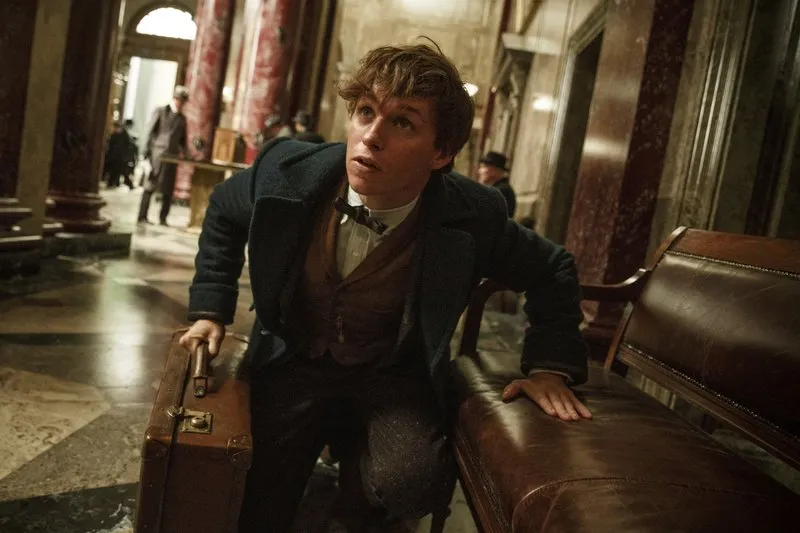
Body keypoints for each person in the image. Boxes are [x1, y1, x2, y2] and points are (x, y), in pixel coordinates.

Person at [180, 42, 590, 533]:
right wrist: (210, 309)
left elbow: (553, 267)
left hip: (392, 372)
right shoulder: (286, 171)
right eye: (365, 112)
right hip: (294, 356)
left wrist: (549, 368)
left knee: (413, 483)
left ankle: (358, 481)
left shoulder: (472, 214)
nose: (371, 137)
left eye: (403, 123)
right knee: (254, 495)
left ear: (441, 153)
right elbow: (224, 211)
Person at [137, 85, 189, 226]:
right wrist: (144, 154)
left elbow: (183, 140)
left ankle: (163, 218)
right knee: (149, 186)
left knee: (168, 189)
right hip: (157, 156)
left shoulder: (182, 119)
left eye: (183, 102)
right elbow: (149, 132)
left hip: (172, 157)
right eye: (179, 100)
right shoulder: (160, 111)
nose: (180, 104)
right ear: (174, 99)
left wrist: (187, 154)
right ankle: (142, 216)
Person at [477, 151, 516, 217]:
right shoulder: (499, 188)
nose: (479, 171)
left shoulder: (500, 191)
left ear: (494, 170)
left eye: (483, 167)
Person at [104, 120, 137, 189]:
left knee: (120, 171)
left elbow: (126, 147)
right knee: (118, 171)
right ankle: (114, 183)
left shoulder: (123, 135)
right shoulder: (118, 135)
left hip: (120, 157)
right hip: (117, 157)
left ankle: (114, 183)